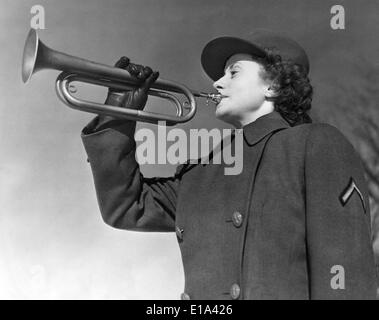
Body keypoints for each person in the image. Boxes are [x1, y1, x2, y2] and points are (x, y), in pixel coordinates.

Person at [81, 30, 377, 299]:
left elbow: (345, 268)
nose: (217, 83)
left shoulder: (315, 144)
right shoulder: (200, 175)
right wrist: (118, 113)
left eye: (233, 73)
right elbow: (125, 207)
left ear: (273, 86)